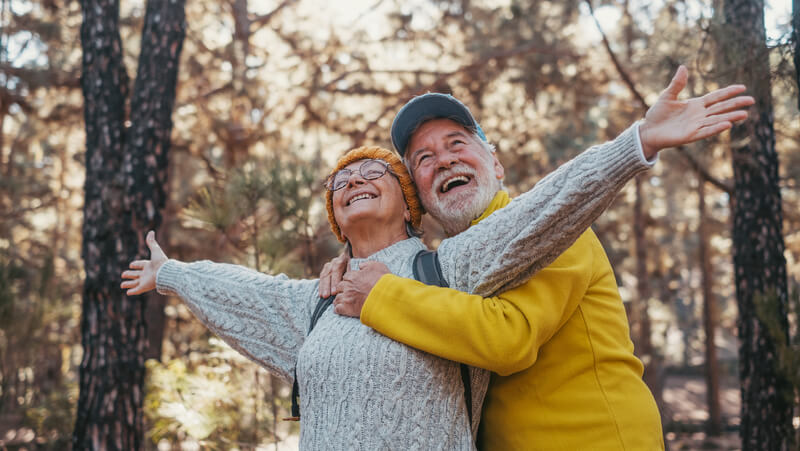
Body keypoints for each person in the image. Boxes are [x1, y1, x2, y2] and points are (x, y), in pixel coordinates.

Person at [121, 128, 664, 449]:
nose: (352, 181)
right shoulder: (317, 301)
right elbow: (246, 291)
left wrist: (635, 144)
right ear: (335, 217)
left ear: (410, 204)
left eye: (370, 174)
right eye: (340, 182)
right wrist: (172, 275)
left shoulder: (450, 267)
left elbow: (546, 209)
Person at [321, 66, 754, 450]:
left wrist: (381, 295)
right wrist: (350, 261)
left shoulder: (550, 225)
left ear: (496, 163)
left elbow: (509, 339)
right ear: (418, 195)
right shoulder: (437, 268)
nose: (445, 159)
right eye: (424, 158)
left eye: (457, 143)